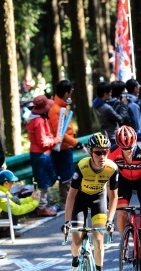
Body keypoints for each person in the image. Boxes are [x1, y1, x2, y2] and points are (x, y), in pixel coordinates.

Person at [63, 133, 119, 271]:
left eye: (105, 151)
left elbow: (113, 196)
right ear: (90, 152)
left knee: (99, 238)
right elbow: (71, 196)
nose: (102, 156)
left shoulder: (112, 168)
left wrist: (110, 220)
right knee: (77, 239)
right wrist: (67, 221)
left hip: (98, 200)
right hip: (80, 199)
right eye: (98, 152)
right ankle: (74, 263)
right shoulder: (81, 166)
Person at [108, 125, 141, 257]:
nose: (127, 151)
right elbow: (107, 178)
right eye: (124, 149)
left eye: (130, 148)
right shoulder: (112, 152)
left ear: (135, 142)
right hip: (124, 182)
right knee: (122, 213)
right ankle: (125, 244)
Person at [26, 95, 59, 217]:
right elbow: (43, 142)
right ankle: (42, 207)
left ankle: (44, 205)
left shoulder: (33, 119)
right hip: (41, 155)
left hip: (38, 154)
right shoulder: (39, 121)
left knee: (42, 181)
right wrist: (56, 140)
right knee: (43, 182)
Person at [48, 80, 78, 211]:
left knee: (68, 176)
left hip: (67, 147)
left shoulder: (63, 107)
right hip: (62, 148)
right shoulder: (56, 110)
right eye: (70, 91)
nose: (71, 94)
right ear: (66, 92)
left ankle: (68, 202)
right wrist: (75, 142)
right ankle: (65, 203)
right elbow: (59, 133)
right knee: (65, 177)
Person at [92, 82, 123, 147]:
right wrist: (124, 105)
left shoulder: (95, 104)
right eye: (110, 92)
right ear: (105, 94)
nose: (111, 94)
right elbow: (120, 119)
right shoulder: (106, 108)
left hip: (104, 135)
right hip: (113, 137)